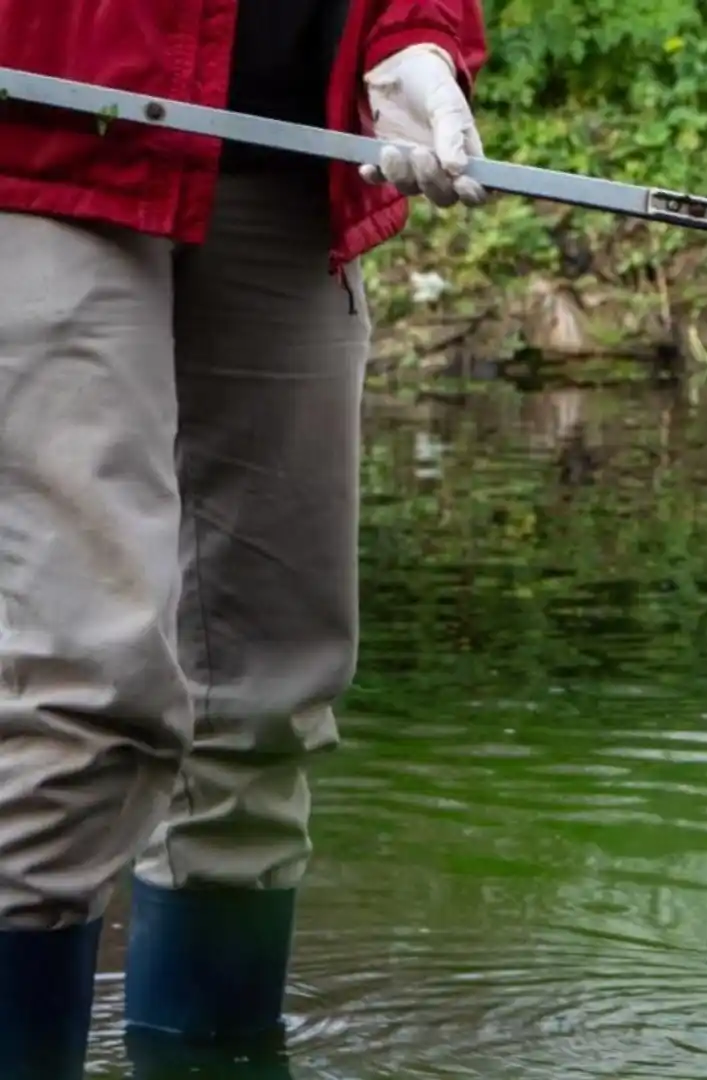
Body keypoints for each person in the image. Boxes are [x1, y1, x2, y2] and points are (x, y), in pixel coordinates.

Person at [0, 2, 488, 1077]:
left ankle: (213, 1056)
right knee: (79, 689)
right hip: (42, 130)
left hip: (286, 156)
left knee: (267, 689)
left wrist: (412, 35)